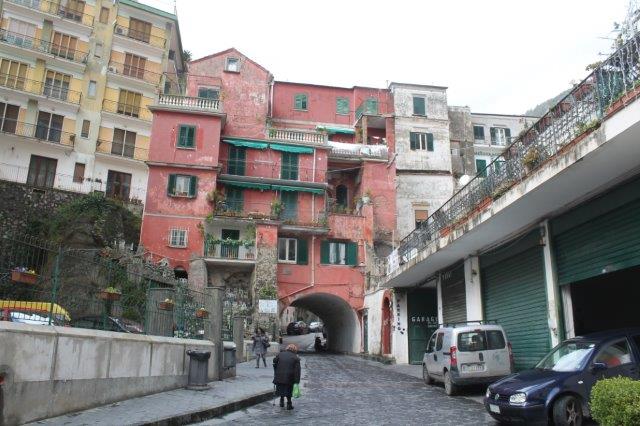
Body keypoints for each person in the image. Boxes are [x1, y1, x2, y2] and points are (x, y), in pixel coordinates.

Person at [273, 344, 301, 410]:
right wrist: (297, 381)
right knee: (288, 390)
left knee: (281, 388)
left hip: (279, 375)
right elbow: (297, 371)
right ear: (295, 350)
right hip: (289, 377)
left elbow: (274, 361)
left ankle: (281, 402)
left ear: (287, 348)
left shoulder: (280, 354)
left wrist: (276, 369)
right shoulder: (296, 358)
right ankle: (289, 404)